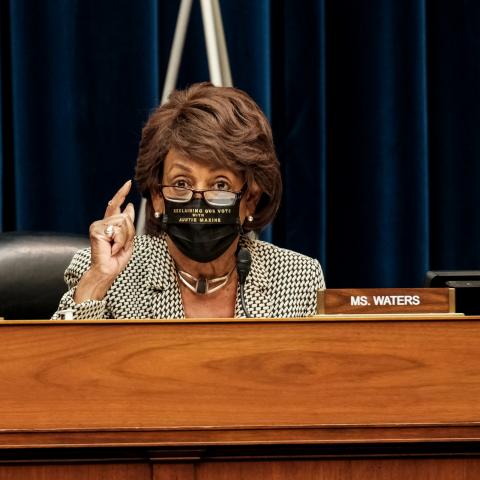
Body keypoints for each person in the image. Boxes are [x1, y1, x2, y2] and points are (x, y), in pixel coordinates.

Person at [53, 82, 325, 320]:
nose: (199, 201)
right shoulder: (110, 273)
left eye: (220, 184)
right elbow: (55, 366)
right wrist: (99, 278)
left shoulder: (298, 278)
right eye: (182, 183)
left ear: (250, 201)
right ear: (158, 196)